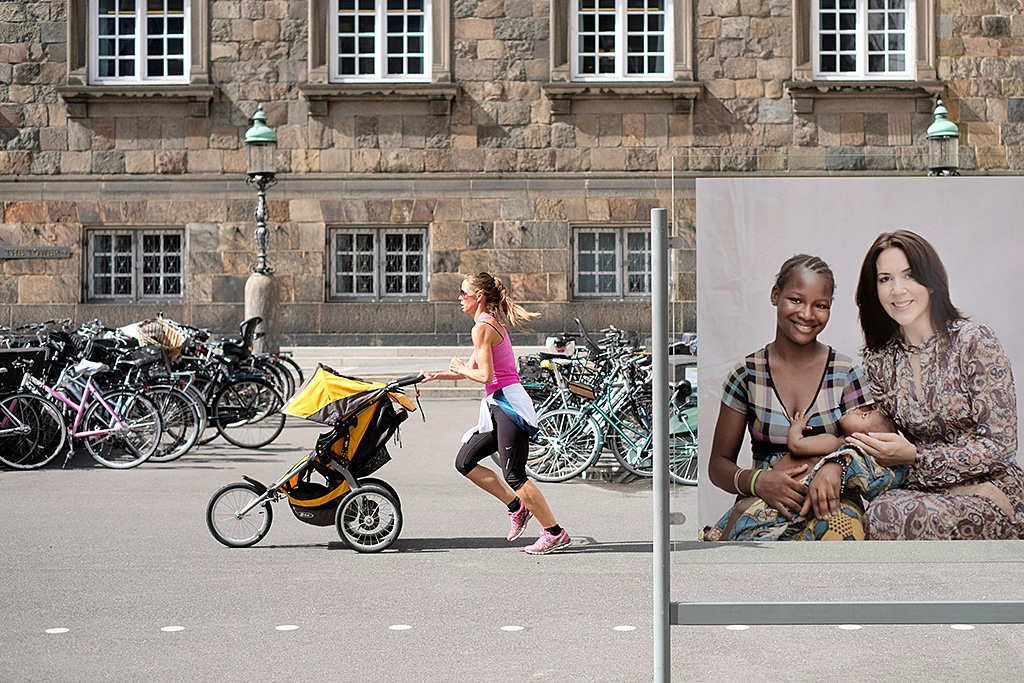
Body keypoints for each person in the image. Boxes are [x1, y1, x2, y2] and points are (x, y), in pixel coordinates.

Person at [701, 254, 903, 542]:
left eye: (820, 305)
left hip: (831, 506)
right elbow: (718, 466)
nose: (807, 314)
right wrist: (759, 482)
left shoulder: (845, 374)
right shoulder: (746, 375)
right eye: (796, 300)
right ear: (775, 295)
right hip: (764, 506)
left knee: (835, 547)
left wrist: (836, 465)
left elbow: (873, 446)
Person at [848, 230, 1024, 540]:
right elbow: (890, 451)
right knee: (878, 514)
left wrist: (917, 457)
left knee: (924, 517)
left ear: (931, 281)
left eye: (909, 275)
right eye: (885, 279)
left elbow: (1000, 446)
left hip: (993, 487)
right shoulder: (879, 361)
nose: (898, 290)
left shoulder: (974, 342)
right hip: (921, 489)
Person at [420, 272, 571, 555]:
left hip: (508, 406)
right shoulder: (484, 324)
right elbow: (473, 369)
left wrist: (463, 369)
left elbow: (485, 375)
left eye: (463, 293)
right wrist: (436, 376)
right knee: (465, 461)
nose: (459, 298)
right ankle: (517, 507)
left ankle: (554, 533)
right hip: (497, 406)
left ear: (479, 297)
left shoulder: (483, 327)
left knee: (514, 474)